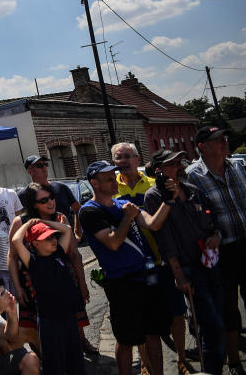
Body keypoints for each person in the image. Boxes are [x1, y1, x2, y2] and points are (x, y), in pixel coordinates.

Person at [80, 160, 172, 375]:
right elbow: (112, 243)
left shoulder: (123, 205)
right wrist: (128, 218)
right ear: (94, 183)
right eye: (108, 179)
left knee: (153, 334)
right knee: (126, 339)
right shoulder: (89, 211)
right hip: (122, 283)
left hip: (147, 279)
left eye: (114, 177)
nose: (115, 182)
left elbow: (152, 224)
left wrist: (168, 201)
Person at [144, 148, 225, 375]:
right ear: (159, 171)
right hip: (188, 268)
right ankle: (211, 370)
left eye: (180, 162)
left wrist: (216, 235)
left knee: (217, 320)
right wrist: (178, 274)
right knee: (211, 325)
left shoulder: (192, 191)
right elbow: (164, 239)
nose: (179, 166)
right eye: (172, 164)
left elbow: (213, 218)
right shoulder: (155, 197)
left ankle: (214, 366)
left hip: (210, 263)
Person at [112, 139, 189, 363]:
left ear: (138, 159)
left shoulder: (156, 185)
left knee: (176, 312)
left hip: (162, 258)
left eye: (128, 156)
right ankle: (146, 364)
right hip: (134, 265)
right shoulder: (112, 188)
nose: (124, 161)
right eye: (119, 157)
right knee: (144, 320)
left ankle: (182, 359)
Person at [185, 125, 246, 375]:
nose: (224, 142)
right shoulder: (192, 176)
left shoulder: (239, 167)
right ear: (202, 146)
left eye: (224, 138)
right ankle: (234, 362)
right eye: (217, 140)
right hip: (223, 251)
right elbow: (194, 217)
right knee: (229, 308)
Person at [7, 181, 92, 353]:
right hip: (33, 282)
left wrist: (82, 283)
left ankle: (81, 343)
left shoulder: (61, 218)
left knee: (72, 318)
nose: (51, 202)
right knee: (40, 326)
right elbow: (12, 256)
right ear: (33, 204)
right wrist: (17, 288)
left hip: (63, 278)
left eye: (51, 197)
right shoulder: (21, 222)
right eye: (44, 200)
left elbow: (75, 254)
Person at [10, 220, 84, 375]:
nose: (54, 240)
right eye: (47, 238)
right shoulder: (33, 261)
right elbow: (16, 240)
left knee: (75, 360)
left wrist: (43, 221)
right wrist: (29, 223)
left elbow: (67, 229)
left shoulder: (58, 253)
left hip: (69, 316)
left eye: (53, 237)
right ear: (35, 243)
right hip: (49, 321)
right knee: (54, 363)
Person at [20, 155, 81, 237]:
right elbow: (20, 220)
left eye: (45, 164)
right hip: (42, 243)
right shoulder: (24, 194)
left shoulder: (61, 187)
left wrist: (77, 230)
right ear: (29, 170)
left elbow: (77, 209)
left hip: (67, 238)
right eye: (40, 165)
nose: (44, 167)